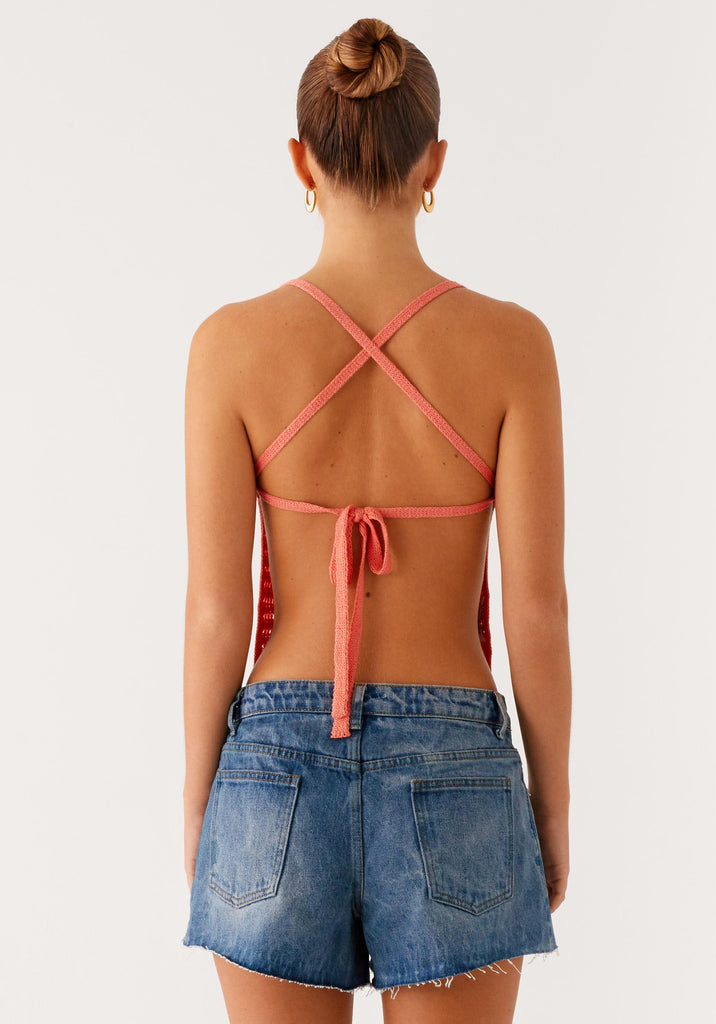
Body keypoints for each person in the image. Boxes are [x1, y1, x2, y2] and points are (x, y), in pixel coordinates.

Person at [181, 16, 571, 1024]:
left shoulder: (229, 346)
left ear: (299, 160)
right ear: (432, 161)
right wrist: (552, 808)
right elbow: (535, 611)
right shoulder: (512, 345)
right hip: (457, 769)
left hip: (273, 766)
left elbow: (216, 613)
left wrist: (199, 807)